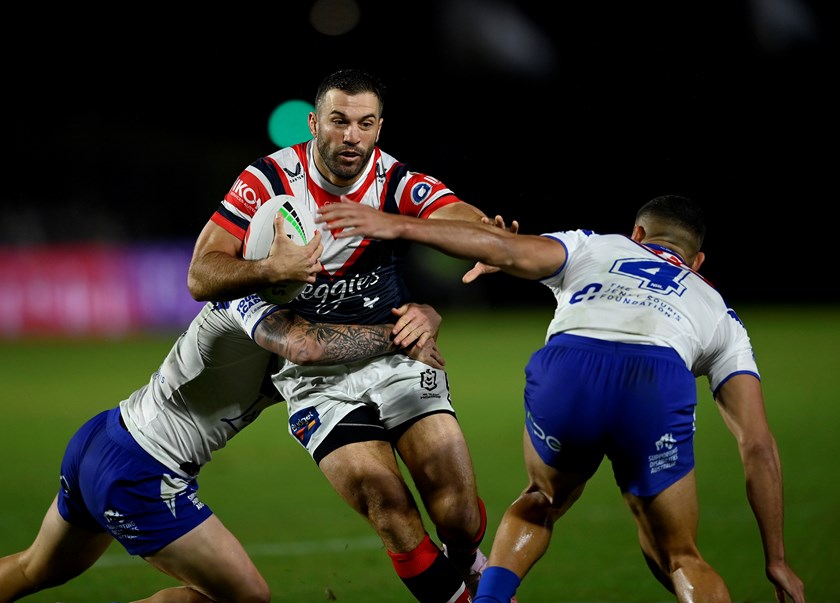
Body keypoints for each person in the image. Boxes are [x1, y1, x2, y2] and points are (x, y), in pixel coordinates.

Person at [316, 193, 807, 603]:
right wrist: (777, 559)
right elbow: (757, 444)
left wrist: (394, 225)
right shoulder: (719, 311)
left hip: (569, 367)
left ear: (637, 233)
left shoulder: (595, 245)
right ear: (698, 262)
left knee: (541, 501)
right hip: (655, 381)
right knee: (677, 555)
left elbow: (499, 248)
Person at [187, 68, 505, 603]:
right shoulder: (267, 180)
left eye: (364, 123)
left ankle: (467, 557)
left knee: (456, 512)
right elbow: (201, 273)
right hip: (315, 379)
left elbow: (454, 212)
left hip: (399, 357)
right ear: (315, 123)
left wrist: (488, 237)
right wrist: (267, 269)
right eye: (338, 121)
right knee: (390, 506)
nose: (351, 136)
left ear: (379, 129)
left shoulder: (394, 179)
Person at [0, 273, 444, 603]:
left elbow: (338, 345)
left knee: (33, 567)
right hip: (142, 470)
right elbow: (309, 347)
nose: (315, 261)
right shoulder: (248, 303)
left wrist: (423, 314)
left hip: (106, 436)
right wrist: (400, 337)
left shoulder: (292, 311)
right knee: (246, 598)